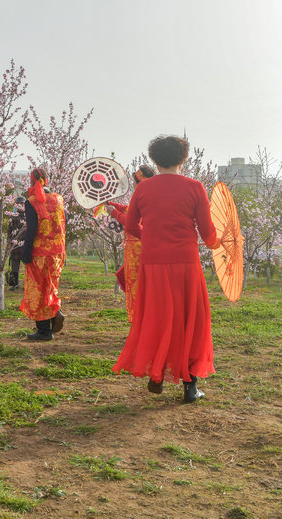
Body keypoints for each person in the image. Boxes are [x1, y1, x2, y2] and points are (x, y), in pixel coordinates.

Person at [112, 136, 218, 403]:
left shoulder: (143, 189)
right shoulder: (195, 187)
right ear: (183, 159)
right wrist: (219, 242)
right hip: (185, 262)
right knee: (189, 319)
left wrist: (149, 237)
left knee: (156, 315)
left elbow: (131, 225)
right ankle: (190, 386)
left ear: (155, 160)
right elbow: (207, 234)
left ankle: (156, 374)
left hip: (153, 262)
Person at [20, 168, 67, 341]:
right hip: (57, 253)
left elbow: (31, 229)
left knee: (38, 289)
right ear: (46, 180)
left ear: (32, 181)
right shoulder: (58, 199)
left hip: (39, 253)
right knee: (51, 286)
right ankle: (55, 312)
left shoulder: (31, 201)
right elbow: (65, 220)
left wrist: (25, 253)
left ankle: (44, 330)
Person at [106, 165, 156, 322]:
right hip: (140, 248)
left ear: (138, 182)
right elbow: (130, 210)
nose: (133, 185)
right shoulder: (149, 196)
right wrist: (112, 205)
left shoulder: (143, 197)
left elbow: (131, 222)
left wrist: (113, 212)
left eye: (134, 182)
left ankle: (140, 324)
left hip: (138, 250)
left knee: (137, 285)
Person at [7, 196, 26, 290]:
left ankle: (20, 284)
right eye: (19, 204)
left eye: (22, 204)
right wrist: (10, 241)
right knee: (15, 264)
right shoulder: (13, 216)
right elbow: (9, 230)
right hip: (17, 244)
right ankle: (15, 283)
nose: (20, 205)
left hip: (23, 244)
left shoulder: (27, 216)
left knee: (26, 264)